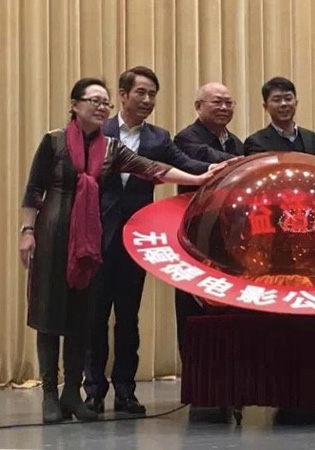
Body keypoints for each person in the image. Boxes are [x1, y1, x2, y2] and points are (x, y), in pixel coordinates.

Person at [18, 78, 223, 423]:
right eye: (94, 101)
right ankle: (50, 394)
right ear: (75, 105)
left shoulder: (111, 147)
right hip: (54, 232)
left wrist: (199, 179)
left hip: (88, 238)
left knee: (82, 316)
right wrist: (26, 231)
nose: (101, 107)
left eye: (105, 102)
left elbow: (152, 168)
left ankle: (72, 394)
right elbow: (34, 189)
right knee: (49, 314)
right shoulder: (53, 141)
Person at [83, 67, 216, 415]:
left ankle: (125, 391)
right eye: (140, 93)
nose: (146, 100)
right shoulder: (99, 131)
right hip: (96, 238)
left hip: (135, 239)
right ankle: (93, 391)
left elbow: (185, 164)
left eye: (152, 94)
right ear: (123, 95)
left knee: (128, 318)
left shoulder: (158, 138)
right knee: (95, 318)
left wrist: (218, 169)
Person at [173, 82, 244, 355]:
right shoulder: (186, 138)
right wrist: (246, 161)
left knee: (229, 305)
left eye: (228, 102)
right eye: (217, 102)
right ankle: (195, 374)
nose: (224, 107)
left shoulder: (236, 142)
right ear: (198, 106)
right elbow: (218, 162)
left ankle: (226, 375)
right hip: (197, 236)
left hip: (229, 236)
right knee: (193, 306)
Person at [244, 77, 315, 156]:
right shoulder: (255, 142)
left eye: (288, 99)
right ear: (265, 106)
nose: (283, 104)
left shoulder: (314, 139)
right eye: (277, 100)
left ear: (296, 103)